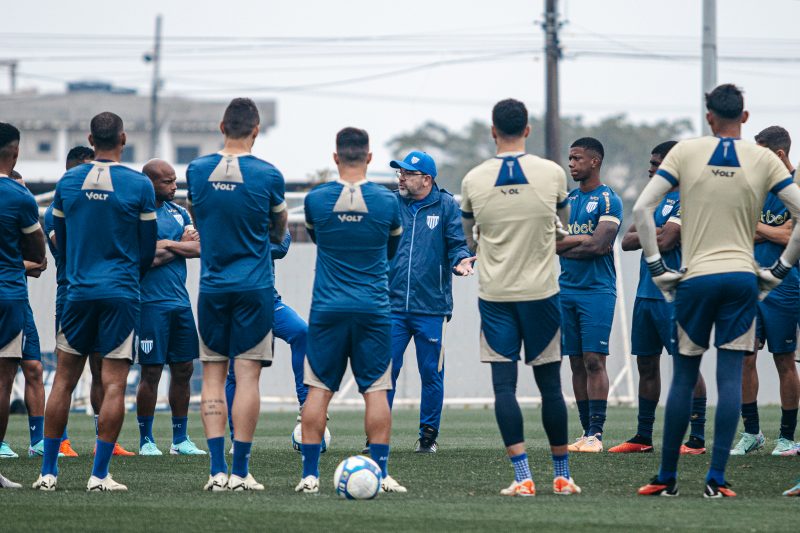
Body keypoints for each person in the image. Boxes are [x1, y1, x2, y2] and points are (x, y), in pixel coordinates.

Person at [635, 84, 800, 498]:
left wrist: (657, 267)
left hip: (696, 278)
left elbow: (641, 209)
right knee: (730, 377)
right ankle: (717, 480)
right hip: (742, 279)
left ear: (709, 116)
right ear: (745, 118)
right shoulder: (763, 157)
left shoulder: (685, 153)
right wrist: (779, 270)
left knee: (684, 377)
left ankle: (667, 478)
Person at [461, 98, 580, 496]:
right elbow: (562, 222)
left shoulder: (473, 179)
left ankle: (522, 477)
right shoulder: (552, 173)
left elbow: (468, 236)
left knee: (504, 389)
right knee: (550, 387)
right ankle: (562, 475)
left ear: (493, 131)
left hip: (495, 295)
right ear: (527, 129)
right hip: (542, 294)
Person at [34, 112, 157, 492]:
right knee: (115, 383)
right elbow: (148, 248)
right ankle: (99, 475)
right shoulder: (139, 185)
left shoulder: (67, 182)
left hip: (78, 292)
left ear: (90, 138)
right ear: (123, 138)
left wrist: (77, 271)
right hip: (120, 293)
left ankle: (48, 473)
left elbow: (60, 240)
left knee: (64, 381)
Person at [296, 127, 406, 494]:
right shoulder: (389, 202)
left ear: (335, 157)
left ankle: (309, 477)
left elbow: (317, 238)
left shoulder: (315, 200)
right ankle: (383, 473)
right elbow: (390, 251)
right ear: (370, 158)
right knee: (376, 390)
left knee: (318, 390)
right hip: (374, 307)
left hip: (328, 308)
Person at [187, 97, 287, 492]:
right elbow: (278, 231)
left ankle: (215, 470)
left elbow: (198, 216)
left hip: (212, 286)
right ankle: (241, 472)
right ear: (256, 130)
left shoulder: (196, 170)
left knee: (212, 376)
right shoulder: (268, 174)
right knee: (247, 378)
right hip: (254, 287)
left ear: (220, 126)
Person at [610, 142, 708, 455]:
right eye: (650, 163)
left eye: (656, 163)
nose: (650, 169)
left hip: (676, 296)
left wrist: (651, 230)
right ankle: (642, 437)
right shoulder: (651, 199)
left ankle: (696, 439)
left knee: (685, 365)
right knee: (647, 365)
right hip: (645, 294)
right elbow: (626, 241)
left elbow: (667, 241)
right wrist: (655, 229)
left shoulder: (690, 199)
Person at [383, 149, 474, 453]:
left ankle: (427, 438)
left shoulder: (446, 205)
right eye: (400, 172)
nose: (401, 177)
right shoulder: (391, 203)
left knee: (431, 374)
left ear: (426, 179)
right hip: (392, 306)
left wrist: (462, 262)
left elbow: (458, 245)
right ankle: (377, 437)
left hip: (432, 307)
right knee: (384, 374)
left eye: (407, 173)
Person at [729, 126, 800, 457]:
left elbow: (791, 239)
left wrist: (757, 227)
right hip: (749, 284)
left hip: (785, 286)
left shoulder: (795, 187)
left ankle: (786, 438)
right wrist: (775, 230)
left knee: (784, 359)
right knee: (745, 357)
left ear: (780, 155)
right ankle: (752, 433)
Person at [557, 137, 623, 452]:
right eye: (570, 158)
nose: (571, 164)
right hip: (566, 290)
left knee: (595, 360)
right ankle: (585, 432)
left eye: (577, 158)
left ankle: (596, 434)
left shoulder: (609, 200)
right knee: (575, 362)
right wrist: (577, 245)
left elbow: (600, 245)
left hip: (597, 291)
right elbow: (551, 244)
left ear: (594, 161)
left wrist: (569, 245)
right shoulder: (566, 200)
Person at [135, 159, 205, 456]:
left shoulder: (180, 212)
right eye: (167, 181)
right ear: (150, 183)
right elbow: (144, 259)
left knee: (184, 369)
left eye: (175, 180)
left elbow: (199, 248)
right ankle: (146, 440)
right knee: (151, 372)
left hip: (180, 303)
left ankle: (180, 439)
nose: (174, 186)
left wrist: (167, 244)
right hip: (150, 304)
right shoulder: (137, 214)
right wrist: (179, 245)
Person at [225, 229, 309, 441]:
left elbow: (281, 246)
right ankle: (237, 437)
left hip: (269, 301)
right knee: (237, 371)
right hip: (237, 304)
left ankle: (306, 405)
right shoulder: (230, 210)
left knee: (301, 332)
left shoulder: (264, 208)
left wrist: (246, 244)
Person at [0, 123, 47, 489]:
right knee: (2, 382)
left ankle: (38, 439)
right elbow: (37, 255)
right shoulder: (18, 197)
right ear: (14, 154)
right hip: (6, 293)